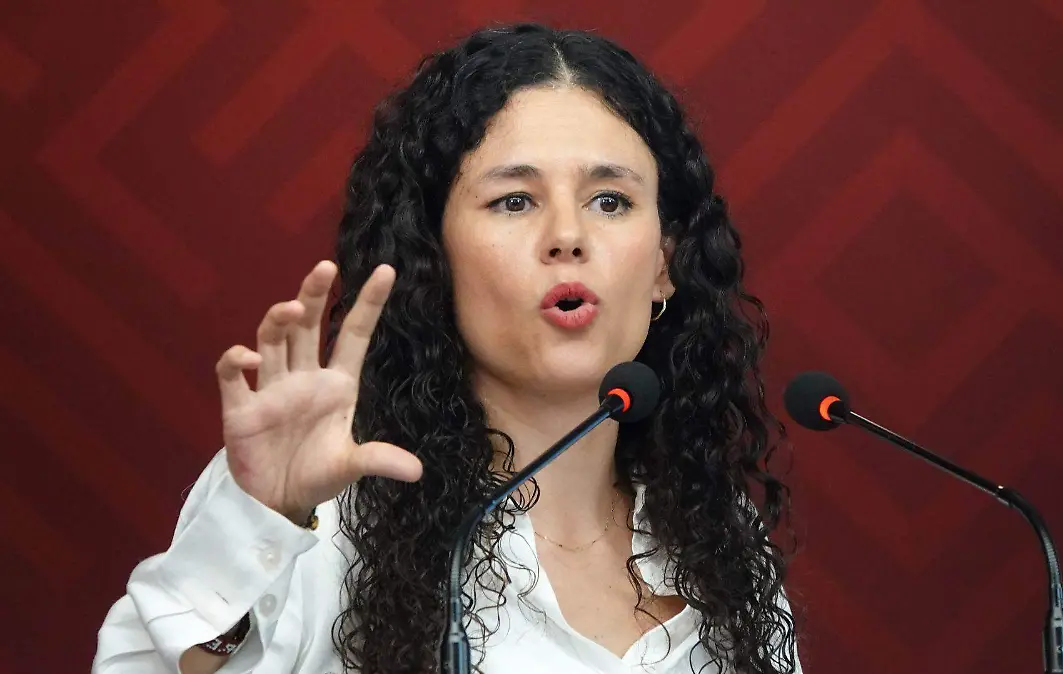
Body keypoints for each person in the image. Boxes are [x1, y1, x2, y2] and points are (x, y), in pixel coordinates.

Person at [92, 22, 801, 674]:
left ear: (664, 264)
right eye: (514, 201)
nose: (568, 235)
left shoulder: (719, 541)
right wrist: (262, 522)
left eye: (609, 201)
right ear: (434, 258)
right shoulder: (326, 513)